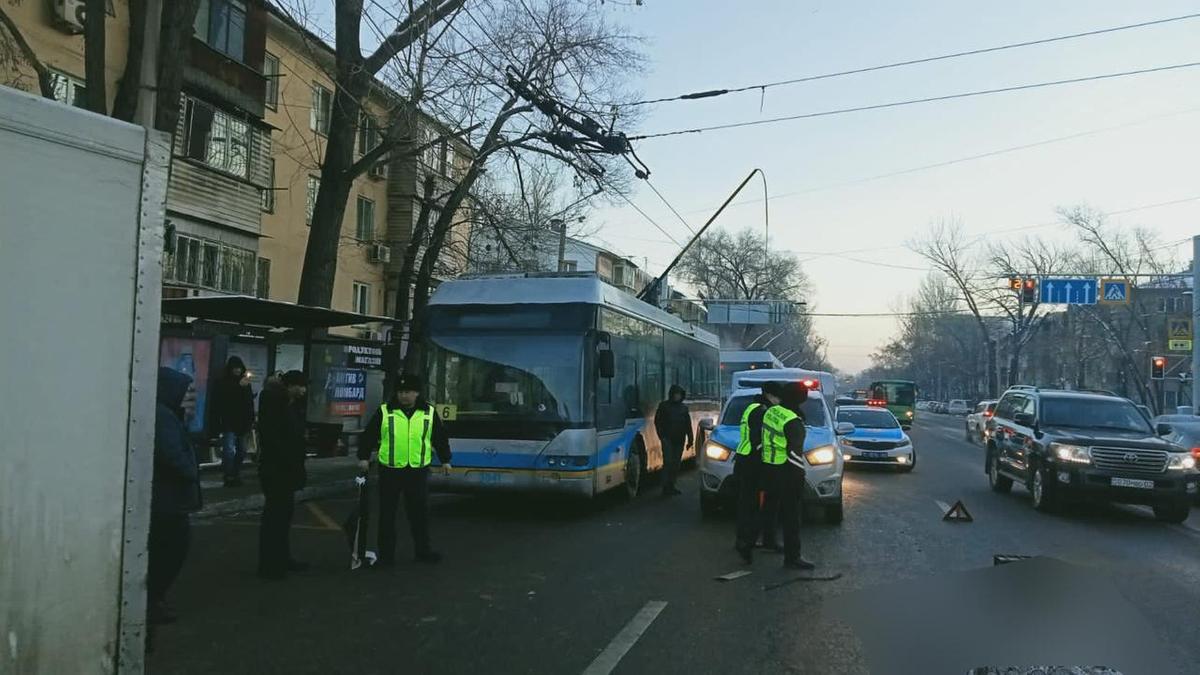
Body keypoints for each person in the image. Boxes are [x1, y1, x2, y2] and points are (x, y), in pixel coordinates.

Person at [359, 373, 451, 566]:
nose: (404, 396)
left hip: (417, 470)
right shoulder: (385, 411)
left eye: (408, 392)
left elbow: (439, 437)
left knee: (419, 513)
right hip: (390, 469)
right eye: (401, 392)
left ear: (417, 393)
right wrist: (364, 457)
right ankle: (386, 556)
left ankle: (423, 551)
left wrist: (445, 460)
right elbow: (369, 435)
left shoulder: (428, 412)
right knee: (387, 514)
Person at [149, 367, 203, 624]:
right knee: (171, 551)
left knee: (167, 550)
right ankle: (153, 601)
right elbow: (171, 455)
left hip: (167, 499)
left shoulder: (168, 415)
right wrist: (190, 471)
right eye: (186, 393)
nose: (188, 399)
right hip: (167, 501)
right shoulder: (164, 418)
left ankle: (155, 600)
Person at [256, 370, 309, 580]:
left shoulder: (289, 404)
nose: (304, 390)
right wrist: (290, 458)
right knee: (275, 518)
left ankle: (282, 559)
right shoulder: (275, 404)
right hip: (276, 469)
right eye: (301, 386)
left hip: (286, 469)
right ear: (291, 386)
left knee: (283, 517)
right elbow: (274, 439)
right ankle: (270, 565)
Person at [760, 382, 816, 570]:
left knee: (770, 507)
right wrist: (799, 474)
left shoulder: (771, 412)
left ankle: (768, 540)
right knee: (792, 516)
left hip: (769, 467)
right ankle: (793, 556)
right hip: (787, 472)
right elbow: (794, 453)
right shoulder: (793, 421)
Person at [734, 381, 782, 564]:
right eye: (778, 396)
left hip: (746, 460)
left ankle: (750, 540)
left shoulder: (753, 407)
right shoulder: (761, 411)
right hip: (754, 464)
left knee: (751, 503)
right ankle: (745, 542)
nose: (779, 400)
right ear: (770, 395)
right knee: (752, 505)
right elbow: (759, 439)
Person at [211, 356, 255, 487]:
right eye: (235, 368)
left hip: (242, 421)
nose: (237, 370)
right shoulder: (223, 383)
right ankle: (229, 474)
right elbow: (223, 400)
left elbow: (249, 403)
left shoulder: (245, 384)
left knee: (241, 450)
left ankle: (235, 473)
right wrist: (238, 387)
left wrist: (251, 419)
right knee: (229, 451)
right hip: (229, 421)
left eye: (239, 368)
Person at [654, 384, 694, 496]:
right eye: (675, 394)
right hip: (668, 439)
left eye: (679, 394)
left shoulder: (684, 408)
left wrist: (690, 440)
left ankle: (671, 485)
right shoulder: (664, 406)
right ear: (671, 394)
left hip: (679, 439)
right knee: (668, 462)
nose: (677, 396)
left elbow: (688, 425)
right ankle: (665, 487)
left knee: (676, 464)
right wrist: (661, 436)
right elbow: (657, 422)